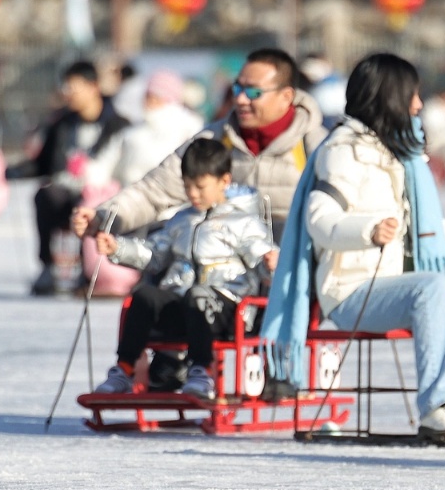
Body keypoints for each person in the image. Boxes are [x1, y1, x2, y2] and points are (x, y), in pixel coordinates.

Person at [299, 53, 445, 440]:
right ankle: (439, 405)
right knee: (431, 286)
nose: (419, 105)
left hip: (402, 284)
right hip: (352, 290)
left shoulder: (402, 155)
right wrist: (366, 230)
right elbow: (319, 219)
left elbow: (423, 233)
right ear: (389, 98)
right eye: (413, 95)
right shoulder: (342, 153)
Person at [73, 47, 326, 241]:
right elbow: (155, 191)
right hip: (225, 272)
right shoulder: (216, 139)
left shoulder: (316, 145)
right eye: (237, 88)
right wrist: (105, 217)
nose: (240, 99)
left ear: (286, 96)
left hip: (293, 273)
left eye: (253, 93)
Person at [91, 139, 278, 400]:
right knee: (145, 296)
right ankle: (124, 368)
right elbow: (154, 254)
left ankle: (202, 370)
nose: (193, 194)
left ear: (224, 181)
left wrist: (271, 264)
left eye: (200, 187)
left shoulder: (244, 223)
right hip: (183, 303)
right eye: (188, 186)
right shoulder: (182, 220)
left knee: (198, 295)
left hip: (227, 309)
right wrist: (118, 248)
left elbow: (263, 264)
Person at [10, 60, 129, 296]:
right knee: (46, 196)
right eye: (67, 89)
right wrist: (12, 172)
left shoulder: (118, 125)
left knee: (89, 206)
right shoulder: (62, 124)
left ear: (93, 86)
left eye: (75, 88)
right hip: (68, 188)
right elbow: (43, 162)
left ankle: (92, 272)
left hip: (104, 193)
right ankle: (48, 266)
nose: (70, 94)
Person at [85, 70, 204, 191]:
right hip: (132, 197)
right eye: (148, 97)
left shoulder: (188, 130)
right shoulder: (132, 133)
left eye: (157, 98)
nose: (150, 102)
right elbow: (106, 164)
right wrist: (88, 175)